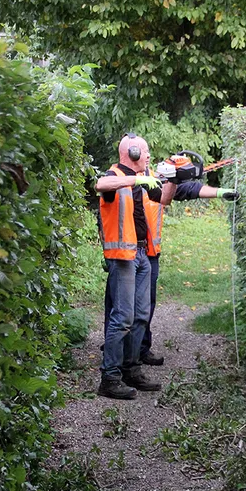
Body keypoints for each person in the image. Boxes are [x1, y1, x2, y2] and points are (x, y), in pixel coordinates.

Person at [95, 133, 176, 400]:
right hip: (124, 257)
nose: (150, 156)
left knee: (141, 315)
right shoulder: (114, 176)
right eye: (146, 151)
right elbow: (100, 184)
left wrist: (175, 178)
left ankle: (132, 369)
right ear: (131, 153)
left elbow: (163, 198)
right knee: (122, 318)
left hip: (143, 254)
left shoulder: (145, 178)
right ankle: (110, 377)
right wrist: (137, 179)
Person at [137, 178, 239, 366]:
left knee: (146, 305)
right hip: (125, 255)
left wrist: (220, 192)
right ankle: (117, 354)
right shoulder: (120, 179)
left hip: (150, 254)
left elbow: (189, 189)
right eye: (145, 155)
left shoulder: (155, 181)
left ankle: (140, 349)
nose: (147, 158)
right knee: (121, 307)